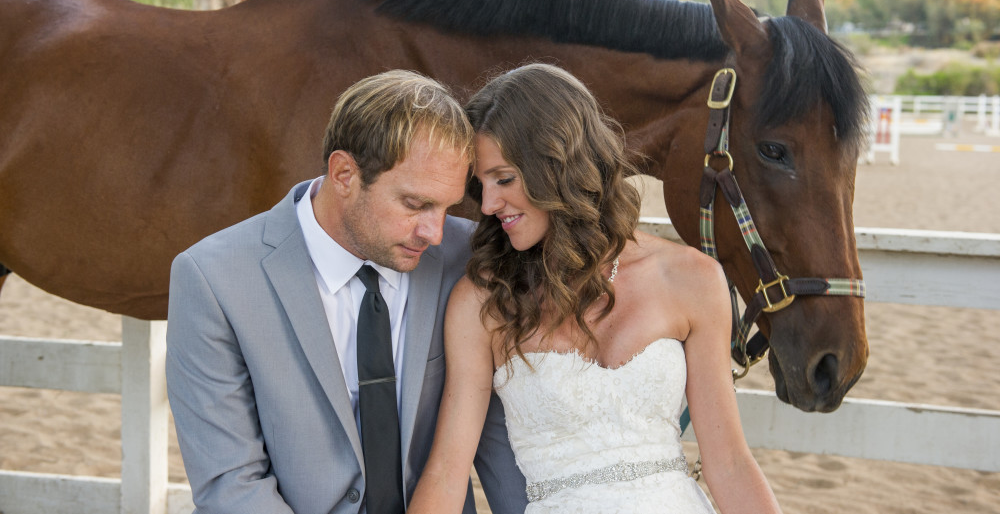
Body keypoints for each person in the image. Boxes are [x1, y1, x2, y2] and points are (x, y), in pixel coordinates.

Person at [407, 63, 783, 514]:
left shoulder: (693, 278)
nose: (488, 205)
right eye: (481, 185)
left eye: (504, 179)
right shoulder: (484, 301)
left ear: (559, 164)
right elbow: (447, 473)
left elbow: (730, 464)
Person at [165, 70, 527, 514]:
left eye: (447, 207)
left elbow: (503, 444)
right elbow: (231, 485)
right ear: (343, 174)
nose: (435, 233)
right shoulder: (213, 279)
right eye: (415, 205)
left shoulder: (467, 258)